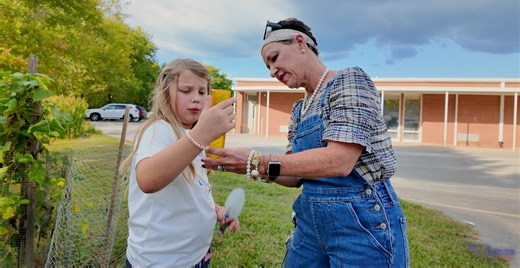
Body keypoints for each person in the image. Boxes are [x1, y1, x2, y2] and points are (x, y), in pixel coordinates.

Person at [202, 18, 410, 267]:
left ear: (300, 43)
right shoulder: (299, 109)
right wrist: (242, 164)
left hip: (362, 223)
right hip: (310, 225)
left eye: (274, 57)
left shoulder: (349, 81)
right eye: (267, 65)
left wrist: (256, 161)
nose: (272, 71)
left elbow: (340, 160)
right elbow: (293, 176)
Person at [122, 58, 239, 267]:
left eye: (202, 92)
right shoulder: (159, 129)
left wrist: (216, 209)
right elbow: (147, 180)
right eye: (186, 91)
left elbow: (193, 189)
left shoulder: (191, 136)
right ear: (166, 93)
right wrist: (199, 136)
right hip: (161, 261)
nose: (196, 99)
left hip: (195, 257)